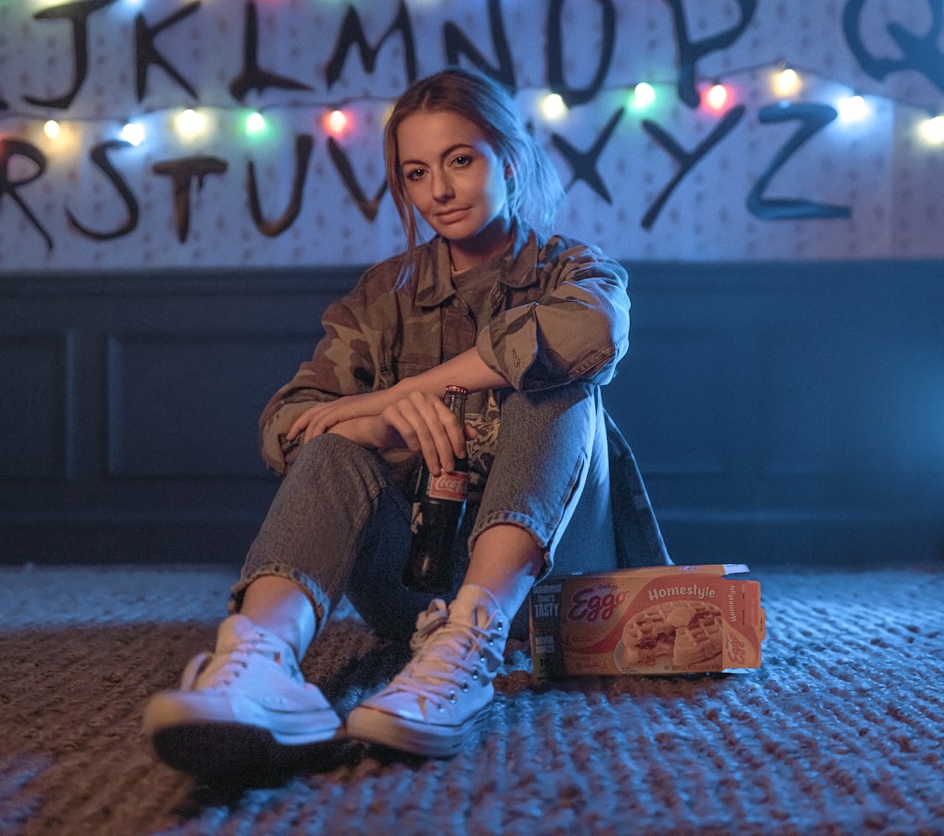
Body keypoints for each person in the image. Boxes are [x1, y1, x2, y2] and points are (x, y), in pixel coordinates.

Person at [142, 67, 671, 775]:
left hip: (550, 591)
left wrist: (415, 387)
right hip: (416, 587)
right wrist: (380, 420)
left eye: (460, 161)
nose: (439, 192)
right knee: (334, 449)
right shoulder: (382, 295)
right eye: (416, 173)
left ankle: (469, 648)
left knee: (556, 385)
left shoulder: (568, 266)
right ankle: (259, 661)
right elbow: (287, 428)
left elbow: (590, 334)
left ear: (507, 161)